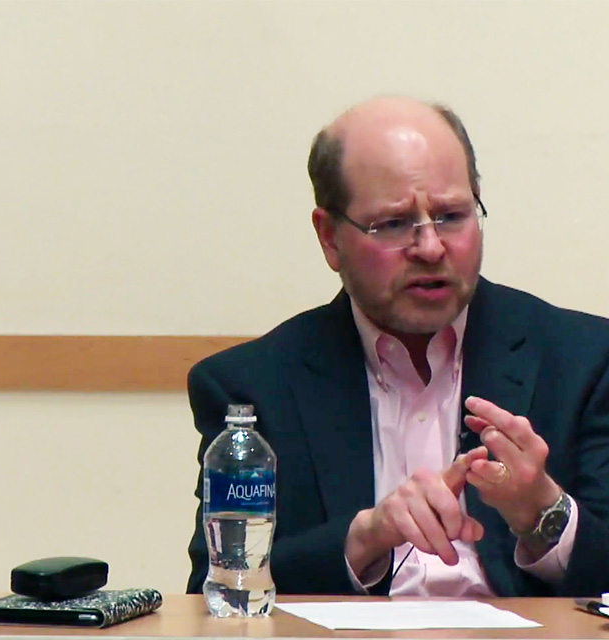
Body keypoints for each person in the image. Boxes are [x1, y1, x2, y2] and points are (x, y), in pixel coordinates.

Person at [186, 96, 609, 597]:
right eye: (391, 224)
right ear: (330, 238)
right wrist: (362, 539)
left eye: (452, 215)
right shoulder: (254, 386)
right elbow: (221, 588)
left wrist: (543, 513)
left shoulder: (584, 359)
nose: (430, 248)